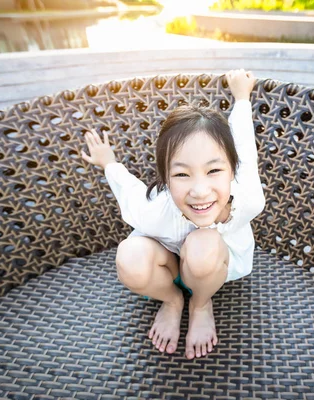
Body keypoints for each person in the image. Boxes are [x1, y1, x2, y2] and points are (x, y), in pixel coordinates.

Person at [81, 69, 266, 360]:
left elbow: (244, 145)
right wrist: (109, 163)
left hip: (214, 264)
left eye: (214, 170)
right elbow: (128, 189)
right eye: (181, 174)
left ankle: (201, 305)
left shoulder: (249, 199)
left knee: (204, 245)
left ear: (233, 170)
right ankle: (172, 300)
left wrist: (242, 98)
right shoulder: (154, 210)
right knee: (128, 257)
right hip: (167, 268)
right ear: (166, 179)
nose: (200, 191)